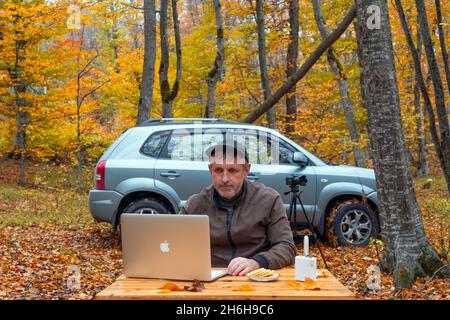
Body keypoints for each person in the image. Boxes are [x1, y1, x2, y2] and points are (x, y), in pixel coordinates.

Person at [179, 141, 296, 276]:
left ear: (247, 170)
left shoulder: (268, 199)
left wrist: (258, 262)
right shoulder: (196, 204)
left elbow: (286, 247)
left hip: (254, 277)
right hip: (207, 277)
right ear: (210, 169)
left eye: (233, 170)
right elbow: (173, 243)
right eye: (218, 170)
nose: (224, 179)